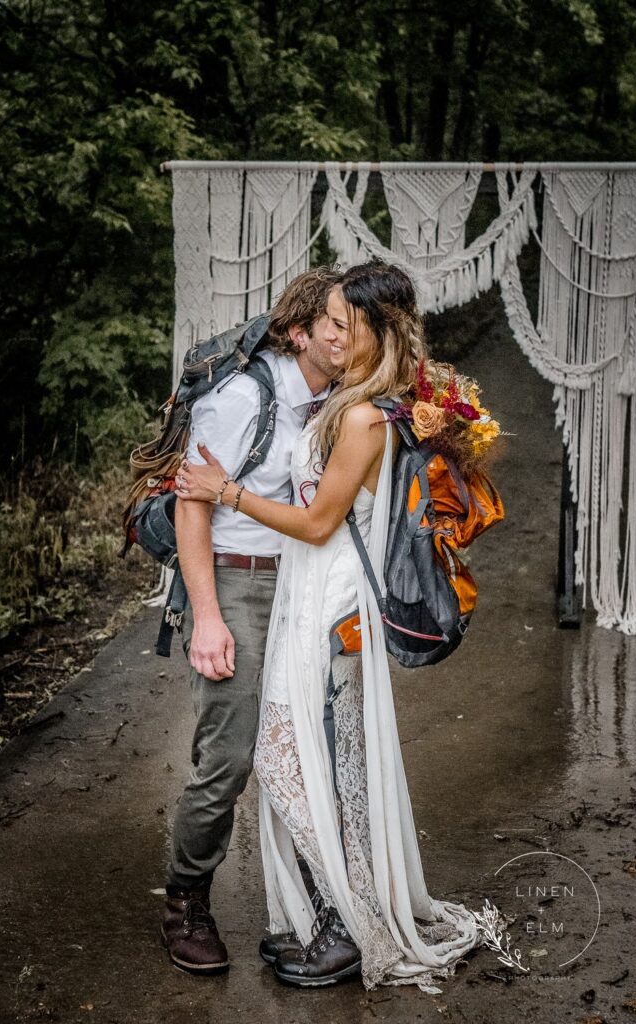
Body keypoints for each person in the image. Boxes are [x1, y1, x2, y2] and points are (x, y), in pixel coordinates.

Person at [175, 260, 484, 992]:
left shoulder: (359, 414)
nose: (337, 334)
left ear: (377, 333)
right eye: (331, 323)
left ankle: (347, 929)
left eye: (349, 324)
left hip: (327, 593)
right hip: (309, 592)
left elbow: (316, 523)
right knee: (317, 759)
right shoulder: (359, 401)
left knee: (291, 762)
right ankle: (330, 919)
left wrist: (228, 492)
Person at [162, 265, 342, 975]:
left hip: (305, 587)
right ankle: (185, 900)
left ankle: (310, 907)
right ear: (299, 332)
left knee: (309, 751)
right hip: (235, 582)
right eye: (336, 324)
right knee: (230, 757)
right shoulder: (241, 397)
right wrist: (206, 617)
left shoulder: (337, 396)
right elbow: (190, 505)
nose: (349, 336)